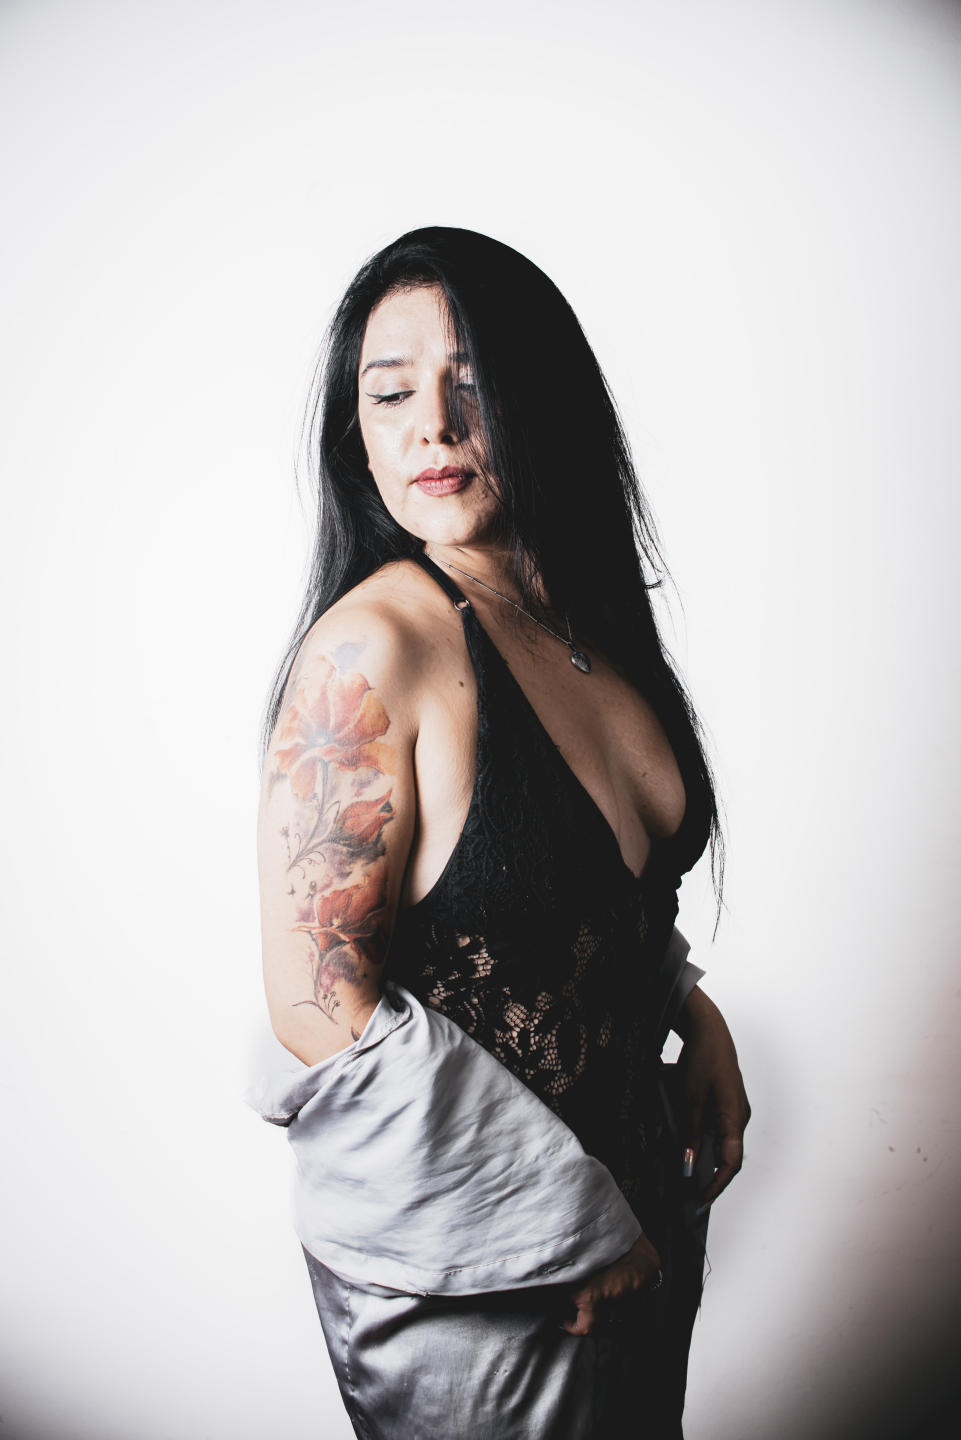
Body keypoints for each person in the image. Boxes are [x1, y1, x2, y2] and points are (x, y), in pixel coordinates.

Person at [254, 226, 750, 1439]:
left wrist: (688, 1010)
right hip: (481, 1268)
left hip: (642, 1220)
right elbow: (319, 1007)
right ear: (356, 432)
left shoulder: (573, 627)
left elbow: (576, 901)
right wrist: (560, 1224)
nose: (432, 424)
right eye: (390, 394)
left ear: (547, 402)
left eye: (471, 383)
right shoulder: (374, 649)